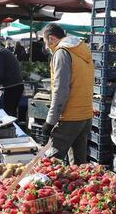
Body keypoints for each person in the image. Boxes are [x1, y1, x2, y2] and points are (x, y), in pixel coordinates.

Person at [40, 24, 93, 164]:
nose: (46, 47)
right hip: (85, 115)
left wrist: (49, 122)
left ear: (51, 39)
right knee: (79, 165)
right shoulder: (81, 50)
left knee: (50, 164)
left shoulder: (62, 52)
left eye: (45, 42)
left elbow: (60, 90)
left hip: (70, 117)